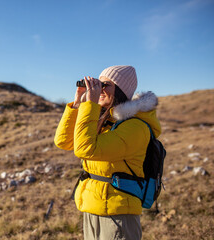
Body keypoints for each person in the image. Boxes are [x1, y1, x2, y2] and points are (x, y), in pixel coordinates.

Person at [54, 65, 161, 240]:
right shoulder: (106, 120)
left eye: (105, 85)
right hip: (92, 205)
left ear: (120, 90)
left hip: (118, 213)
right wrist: (77, 104)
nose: (99, 89)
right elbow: (64, 142)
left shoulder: (136, 127)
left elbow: (85, 148)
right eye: (99, 83)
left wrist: (90, 104)